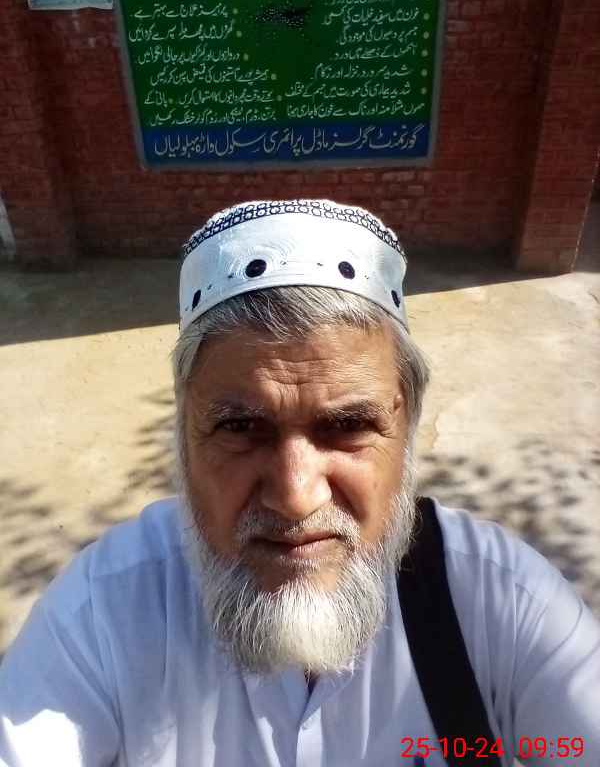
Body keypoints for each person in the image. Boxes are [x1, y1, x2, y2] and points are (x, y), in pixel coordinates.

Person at [0, 199, 598, 767]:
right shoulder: (103, 613)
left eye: (349, 426)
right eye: (241, 427)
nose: (295, 497)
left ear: (406, 430)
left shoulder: (502, 604)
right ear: (184, 436)